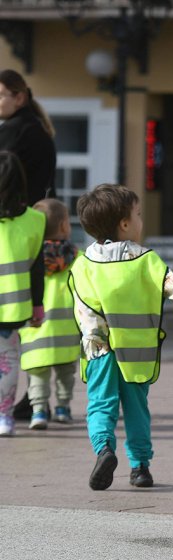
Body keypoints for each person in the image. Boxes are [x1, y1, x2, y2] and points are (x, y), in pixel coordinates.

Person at [69, 184, 173, 489]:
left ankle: (104, 449)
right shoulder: (145, 260)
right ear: (124, 224)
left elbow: (82, 308)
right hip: (136, 354)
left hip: (98, 351)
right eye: (137, 214)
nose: (140, 219)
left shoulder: (83, 264)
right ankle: (140, 467)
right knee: (137, 410)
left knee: (100, 405)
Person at [1, 69, 57, 423]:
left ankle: (30, 402)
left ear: (19, 97)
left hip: (14, 230)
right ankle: (34, 400)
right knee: (31, 334)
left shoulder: (15, 133)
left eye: (2, 94)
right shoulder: (36, 130)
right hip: (31, 228)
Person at [20, 198, 80, 430]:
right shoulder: (77, 257)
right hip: (67, 330)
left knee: (37, 373)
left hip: (36, 327)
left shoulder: (30, 258)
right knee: (66, 372)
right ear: (65, 226)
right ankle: (63, 408)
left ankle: (38, 411)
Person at [0, 152, 45, 436]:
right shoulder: (35, 220)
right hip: (13, 307)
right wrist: (38, 307)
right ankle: (4, 416)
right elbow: (36, 268)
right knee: (8, 360)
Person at [0, 69, 55, 204]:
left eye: (0, 96)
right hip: (36, 215)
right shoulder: (37, 127)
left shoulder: (14, 130)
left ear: (19, 98)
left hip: (13, 217)